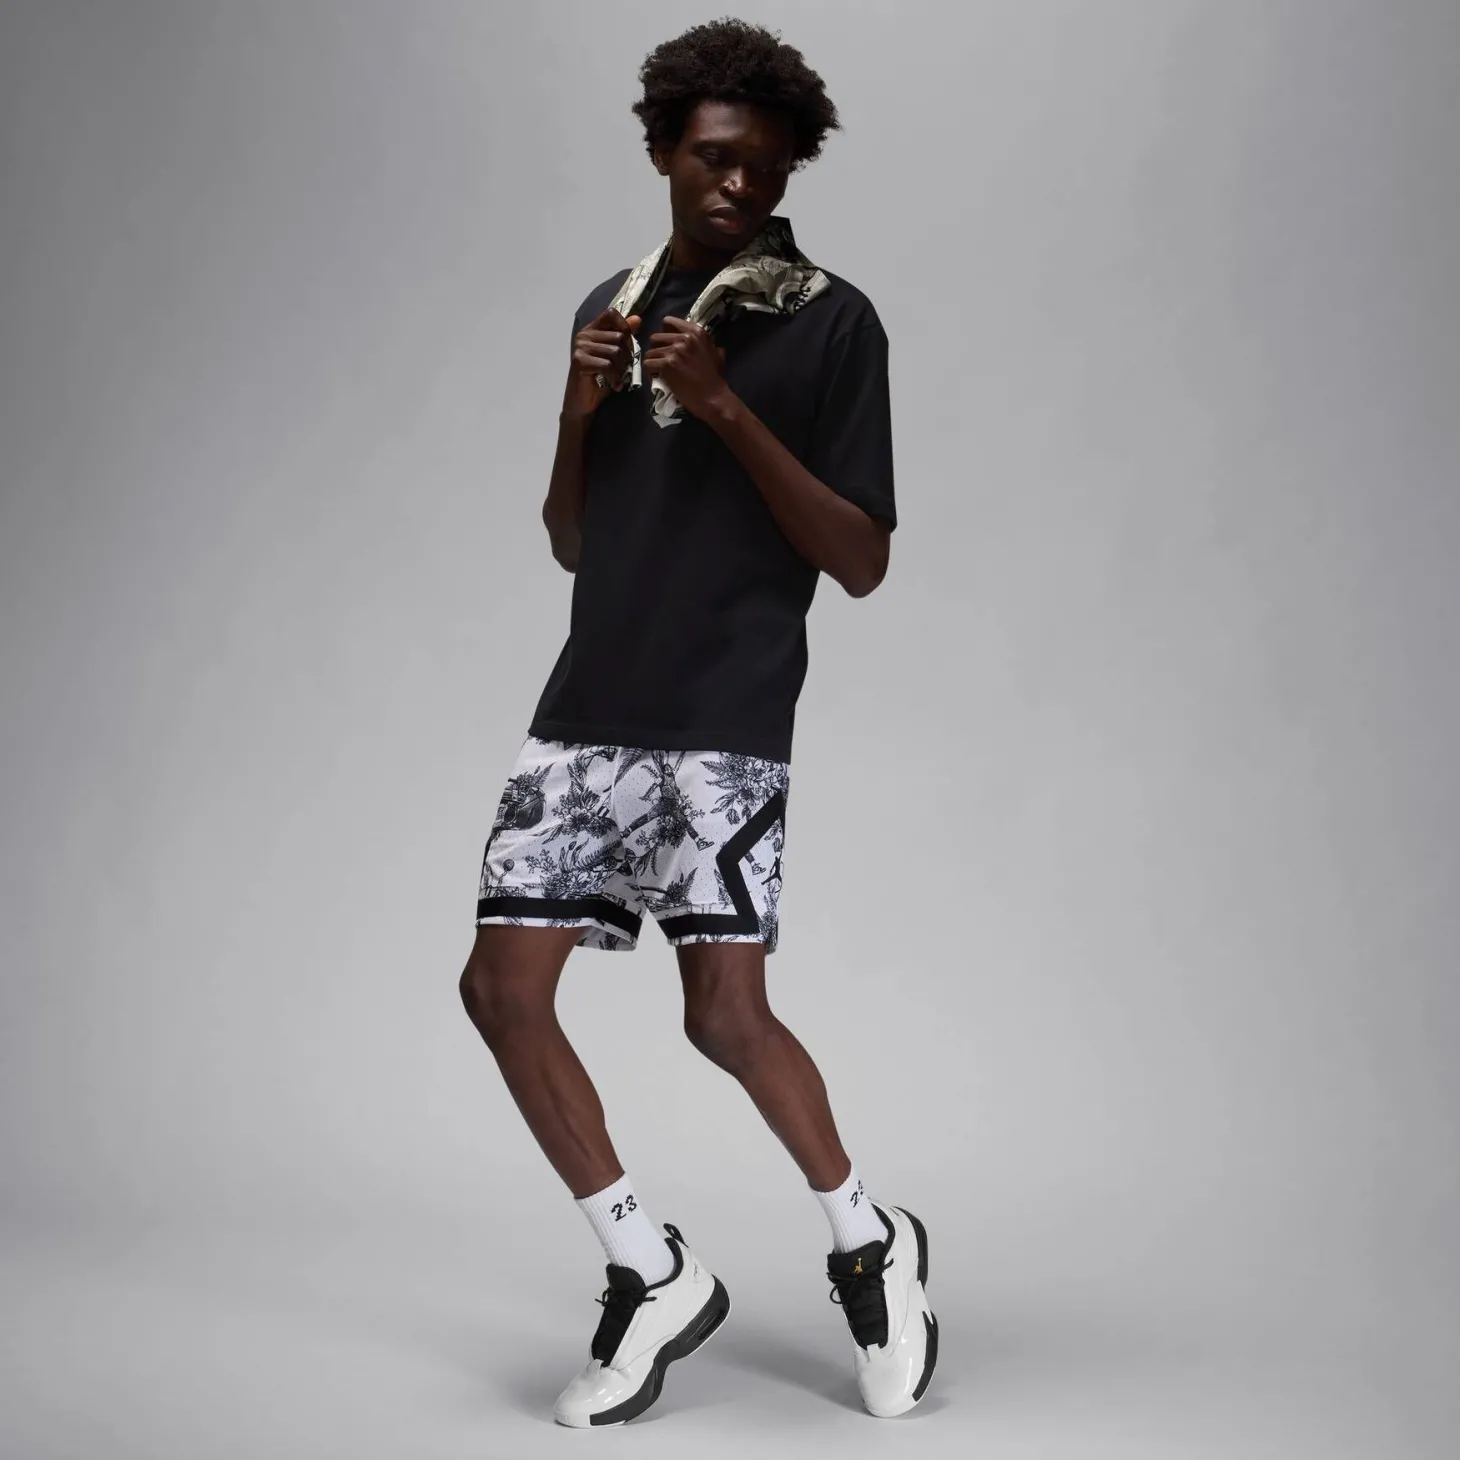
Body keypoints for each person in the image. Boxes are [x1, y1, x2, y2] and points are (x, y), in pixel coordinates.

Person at [458, 17, 936, 1427]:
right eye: (717, 158)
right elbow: (572, 542)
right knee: (498, 992)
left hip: (726, 711)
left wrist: (723, 406)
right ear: (664, 150)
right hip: (590, 706)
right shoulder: (608, 306)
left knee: (723, 1017)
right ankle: (647, 1265)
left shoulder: (833, 320)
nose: (740, 185)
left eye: (766, 167)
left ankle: (868, 1236)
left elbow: (861, 559)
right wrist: (579, 403)